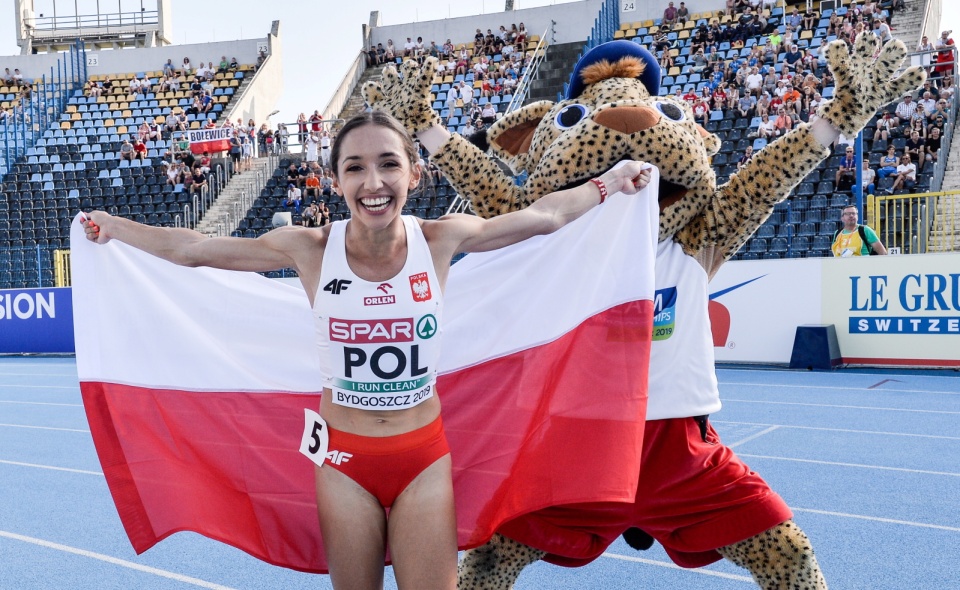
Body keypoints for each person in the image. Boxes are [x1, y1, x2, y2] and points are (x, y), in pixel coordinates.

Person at [81, 109, 652, 590]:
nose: (373, 182)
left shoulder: (441, 239)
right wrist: (116, 227)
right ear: (334, 180)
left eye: (388, 164)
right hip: (343, 462)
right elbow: (195, 250)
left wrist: (611, 183)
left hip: (423, 457)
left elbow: (546, 216)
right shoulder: (309, 248)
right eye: (355, 167)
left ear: (415, 174)